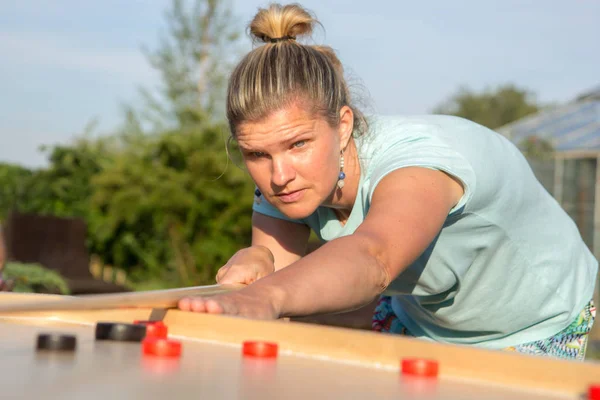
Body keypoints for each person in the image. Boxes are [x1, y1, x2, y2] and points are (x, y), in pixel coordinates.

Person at [177, 3, 597, 360]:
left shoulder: (419, 165)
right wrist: (258, 262)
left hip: (533, 326)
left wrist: (266, 295)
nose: (279, 176)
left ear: (342, 127)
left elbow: (374, 259)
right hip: (421, 320)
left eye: (299, 144)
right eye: (257, 154)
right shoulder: (286, 180)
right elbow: (279, 288)